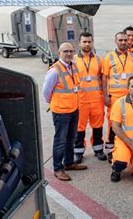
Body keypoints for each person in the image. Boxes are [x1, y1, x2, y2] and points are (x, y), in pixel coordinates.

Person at [43, 42, 87, 181]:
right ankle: (58, 168)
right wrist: (55, 102)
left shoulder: (73, 66)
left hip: (74, 108)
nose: (68, 54)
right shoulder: (54, 70)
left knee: (71, 138)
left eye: (71, 51)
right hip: (61, 111)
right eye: (65, 51)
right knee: (60, 140)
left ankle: (68, 163)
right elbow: (46, 92)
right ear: (59, 53)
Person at [102, 32, 133, 162]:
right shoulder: (109, 57)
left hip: (131, 97)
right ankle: (110, 149)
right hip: (115, 97)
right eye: (120, 40)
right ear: (115, 41)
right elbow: (104, 77)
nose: (123, 42)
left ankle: (127, 146)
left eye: (125, 40)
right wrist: (105, 96)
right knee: (113, 123)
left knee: (129, 122)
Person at [73, 32, 107, 163]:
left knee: (98, 126)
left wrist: (104, 96)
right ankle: (78, 151)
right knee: (80, 127)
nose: (87, 44)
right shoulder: (74, 60)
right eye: (84, 42)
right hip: (81, 100)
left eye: (89, 42)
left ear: (92, 43)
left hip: (96, 100)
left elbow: (103, 80)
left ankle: (98, 149)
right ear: (79, 43)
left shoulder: (99, 60)